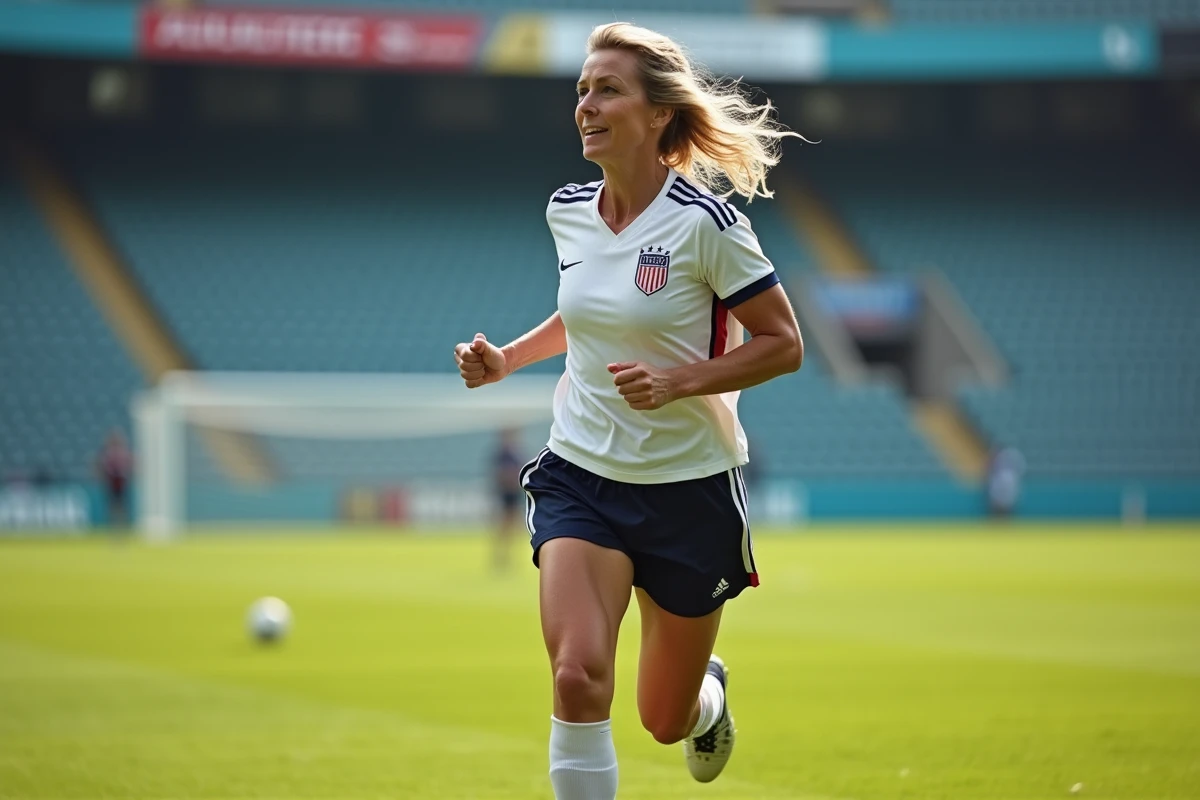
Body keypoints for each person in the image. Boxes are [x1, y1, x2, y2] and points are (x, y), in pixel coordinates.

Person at [454, 22, 805, 799]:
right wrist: (508, 358)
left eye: (607, 89)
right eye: (581, 90)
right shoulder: (567, 210)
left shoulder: (707, 225)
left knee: (663, 719)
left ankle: (706, 698)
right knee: (578, 677)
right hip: (582, 477)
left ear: (657, 114)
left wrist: (681, 381)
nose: (586, 104)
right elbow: (583, 315)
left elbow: (785, 344)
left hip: (691, 492)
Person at [491, 427, 525, 571]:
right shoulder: (503, 454)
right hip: (507, 494)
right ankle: (501, 557)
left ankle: (505, 557)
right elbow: (500, 474)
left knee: (513, 527)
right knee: (505, 527)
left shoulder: (515, 453)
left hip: (514, 494)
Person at [96, 429, 133, 529]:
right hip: (112, 484)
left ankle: (122, 526)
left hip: (121, 484)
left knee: (121, 507)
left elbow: (129, 466)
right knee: (113, 507)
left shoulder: (122, 453)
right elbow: (102, 468)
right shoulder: (108, 454)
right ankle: (114, 526)